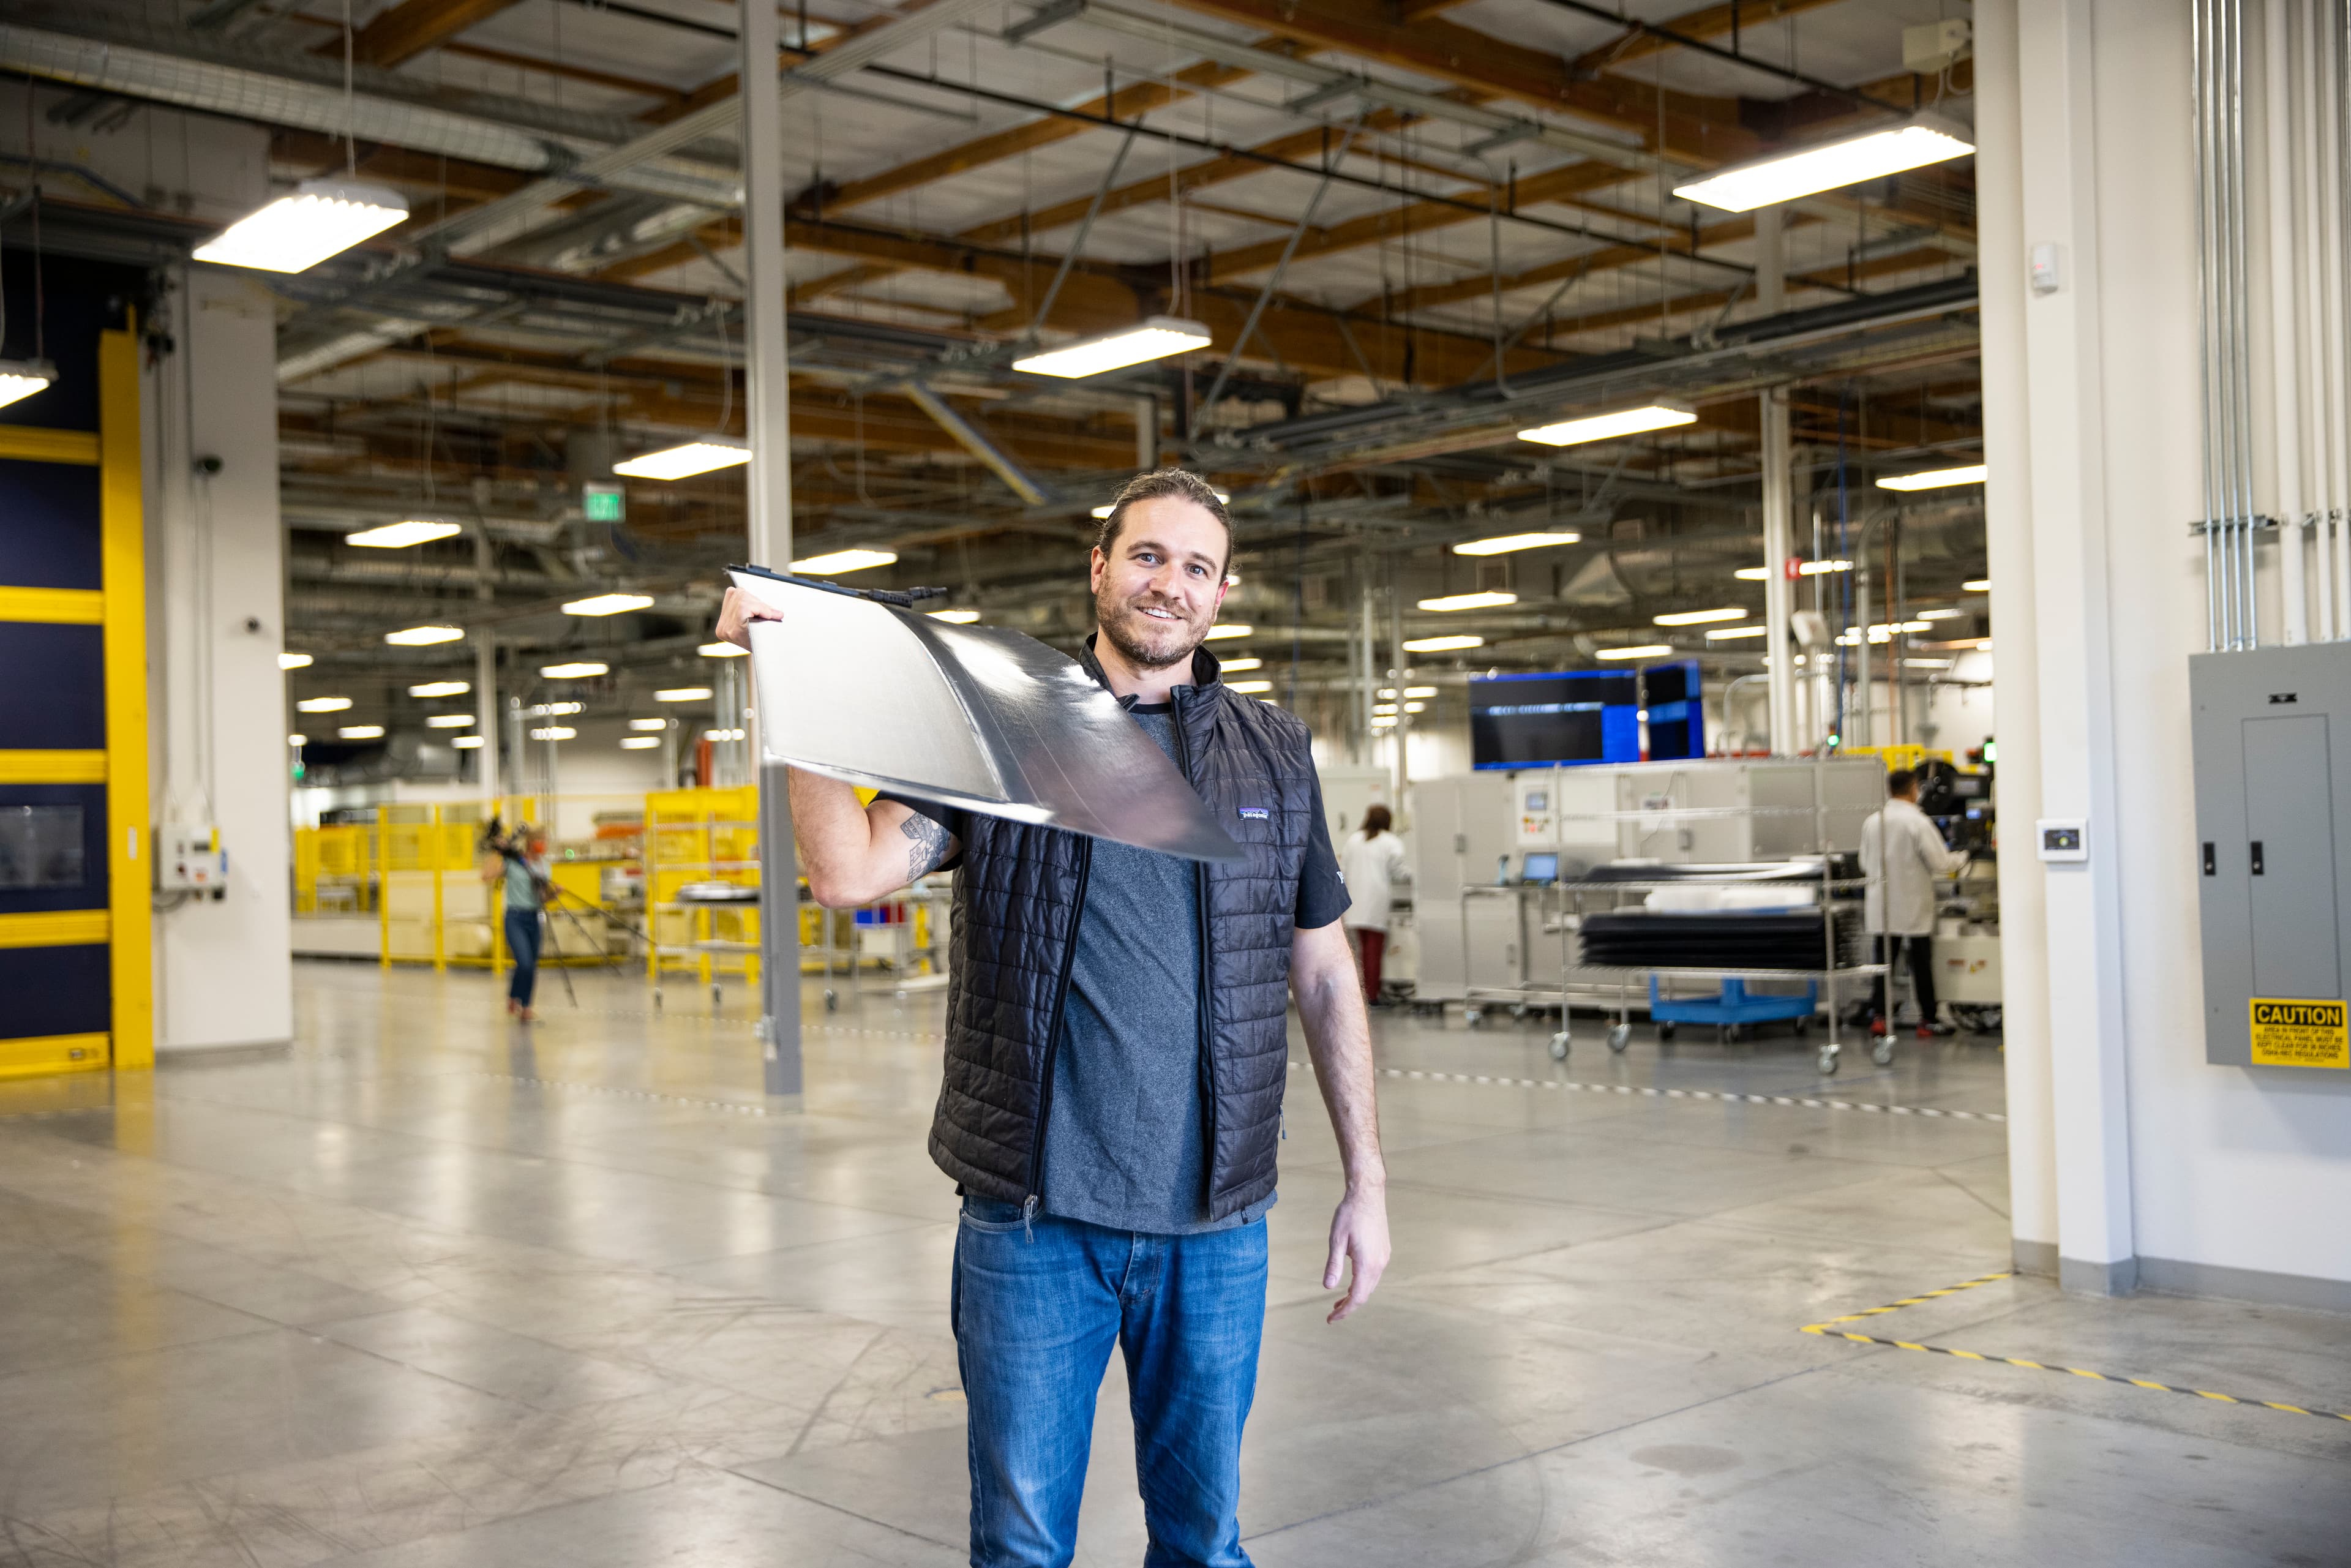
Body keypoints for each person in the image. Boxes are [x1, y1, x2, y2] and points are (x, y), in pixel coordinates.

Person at [716, 467, 1389, 1568]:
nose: (1169, 583)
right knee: (1023, 1547)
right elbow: (848, 872)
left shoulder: (1274, 751)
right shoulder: (1005, 729)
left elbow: (1321, 972)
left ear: (1222, 595)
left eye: (1196, 566)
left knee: (1205, 1542)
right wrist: (787, 678)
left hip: (1216, 1231)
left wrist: (1368, 1181)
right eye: (1147, 556)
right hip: (1035, 1228)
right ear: (1099, 567)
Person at [1858, 768, 1966, 1037]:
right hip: (1913, 904)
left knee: (1883, 963)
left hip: (1881, 906)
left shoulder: (1873, 821)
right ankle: (1928, 1020)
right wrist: (1963, 857)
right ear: (1914, 788)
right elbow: (1941, 863)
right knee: (1921, 963)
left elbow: (1863, 862)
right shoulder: (1917, 822)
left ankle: (1880, 1018)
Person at [1338, 805, 1409, 1005]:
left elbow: (1343, 869)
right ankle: (1371, 995)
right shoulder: (1390, 841)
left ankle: (1361, 994)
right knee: (1374, 951)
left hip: (1355, 903)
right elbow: (1399, 872)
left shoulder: (1354, 840)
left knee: (1361, 952)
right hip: (1376, 902)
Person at [484, 824, 549, 1022]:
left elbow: (544, 897)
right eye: (541, 841)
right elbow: (486, 876)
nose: (544, 845)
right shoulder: (513, 863)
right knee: (525, 962)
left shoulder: (544, 866)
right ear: (531, 843)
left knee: (531, 964)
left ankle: (525, 1005)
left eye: (545, 841)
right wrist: (497, 853)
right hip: (515, 918)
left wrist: (555, 893)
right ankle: (516, 998)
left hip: (534, 917)